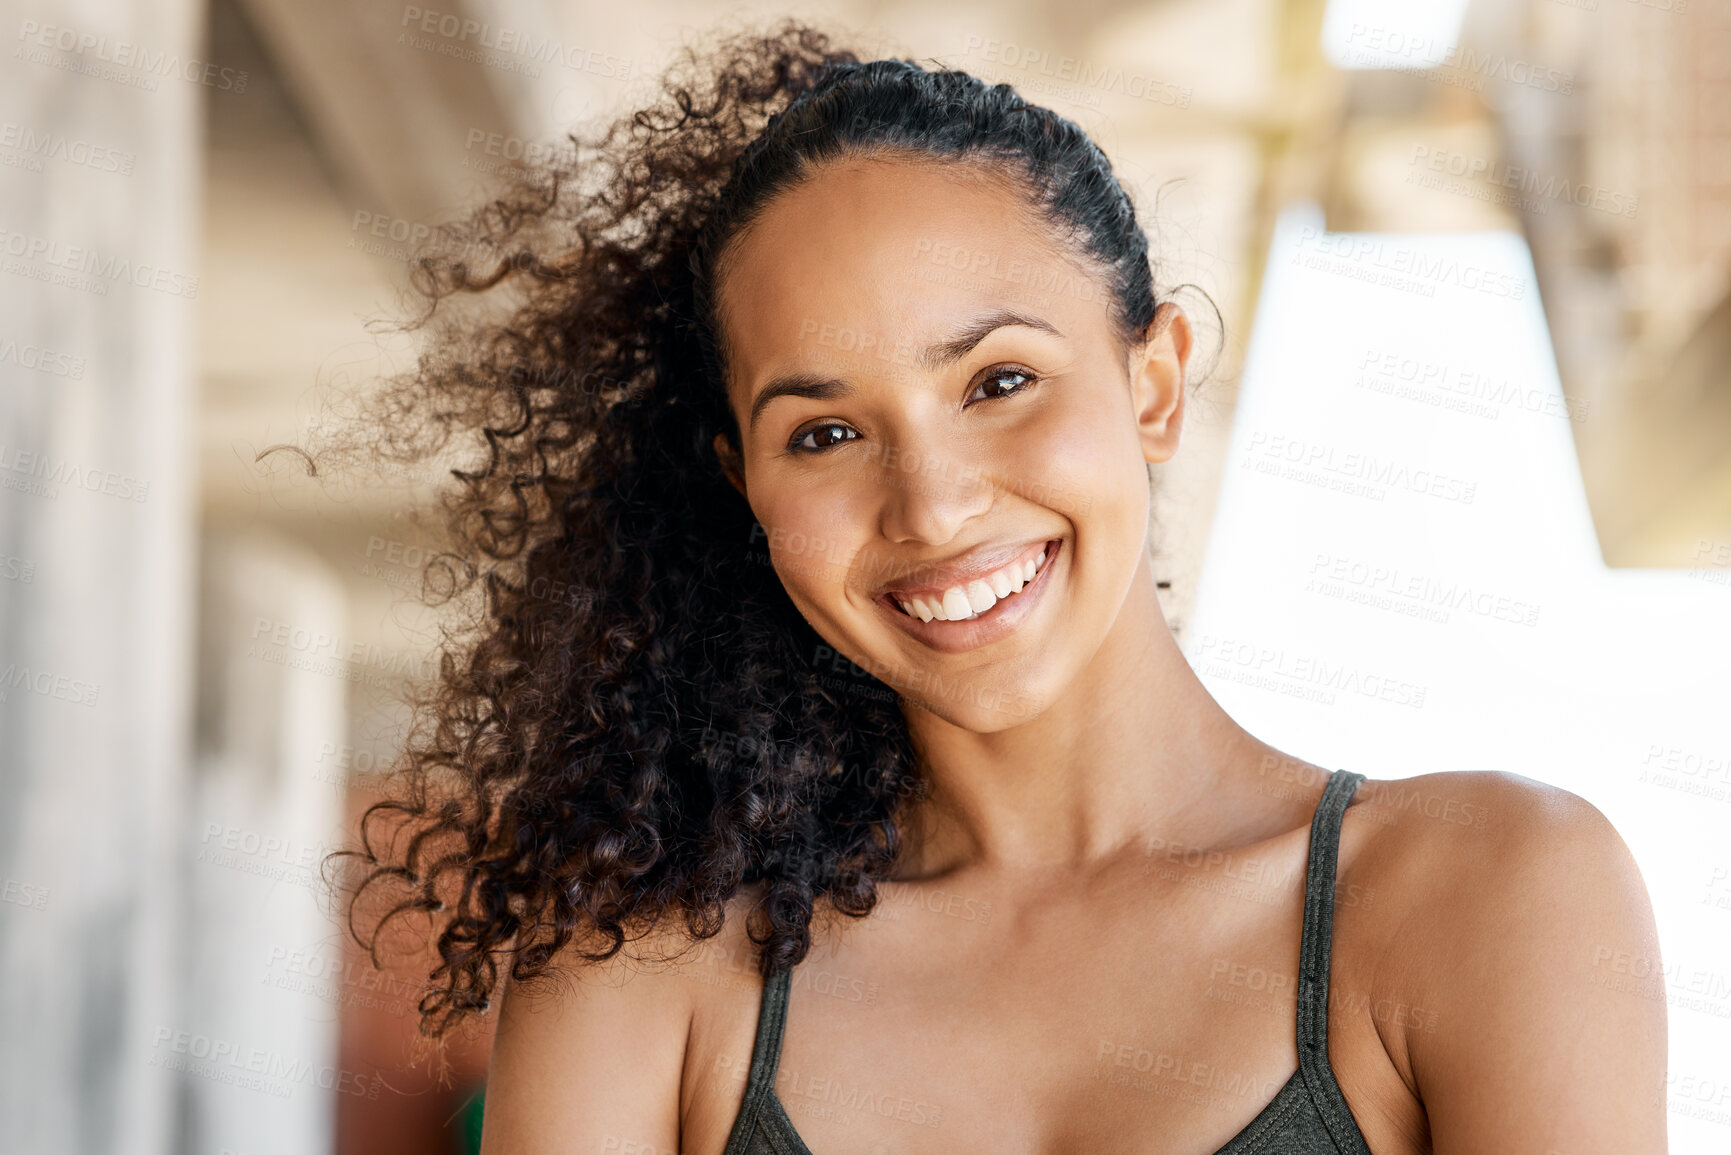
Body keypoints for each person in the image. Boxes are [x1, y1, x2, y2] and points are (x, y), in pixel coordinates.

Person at [335, 22, 1666, 1155]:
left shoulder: (1488, 895)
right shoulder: (642, 977)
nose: (934, 505)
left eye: (998, 382)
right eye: (826, 432)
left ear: (1153, 384)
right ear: (743, 480)